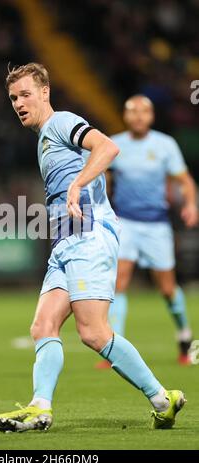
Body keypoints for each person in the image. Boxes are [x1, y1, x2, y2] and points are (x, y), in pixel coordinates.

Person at [0, 64, 186, 433]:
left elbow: (107, 147)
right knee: (42, 325)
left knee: (93, 333)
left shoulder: (62, 122)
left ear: (45, 92)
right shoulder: (44, 137)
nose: (19, 102)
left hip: (89, 235)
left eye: (26, 94)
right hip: (66, 242)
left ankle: (163, 397)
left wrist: (79, 184)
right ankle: (40, 408)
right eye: (14, 98)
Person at [97, 95, 198, 370]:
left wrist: (190, 203)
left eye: (144, 111)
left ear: (151, 116)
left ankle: (184, 337)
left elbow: (185, 180)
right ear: (125, 116)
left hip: (157, 225)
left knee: (167, 289)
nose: (139, 116)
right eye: (133, 111)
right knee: (119, 284)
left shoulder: (165, 145)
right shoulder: (114, 144)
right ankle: (114, 348)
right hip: (125, 223)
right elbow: (99, 173)